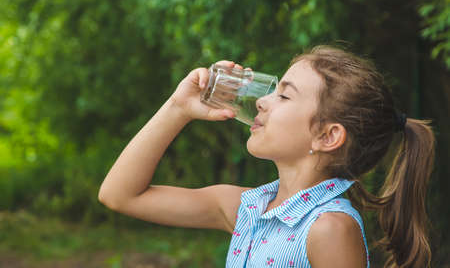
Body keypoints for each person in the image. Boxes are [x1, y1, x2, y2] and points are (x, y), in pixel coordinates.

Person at [98, 45, 435, 268]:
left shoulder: (330, 229)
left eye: (284, 96)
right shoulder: (247, 209)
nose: (261, 101)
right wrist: (177, 108)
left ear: (327, 136)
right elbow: (120, 195)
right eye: (273, 90)